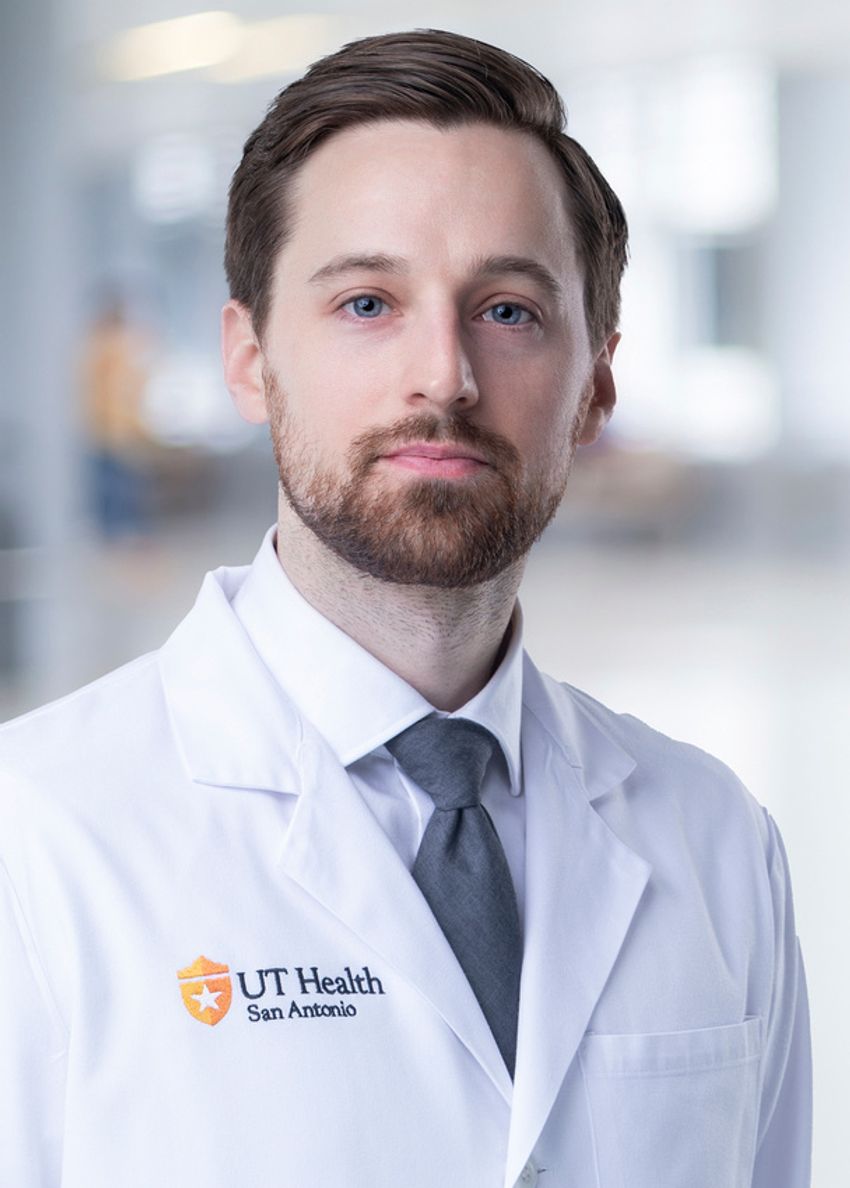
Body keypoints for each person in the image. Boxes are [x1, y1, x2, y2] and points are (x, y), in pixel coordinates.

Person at [0, 29, 810, 1188]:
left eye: (511, 310)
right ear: (248, 359)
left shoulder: (714, 839)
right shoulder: (33, 842)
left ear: (597, 385)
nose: (443, 374)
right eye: (368, 302)